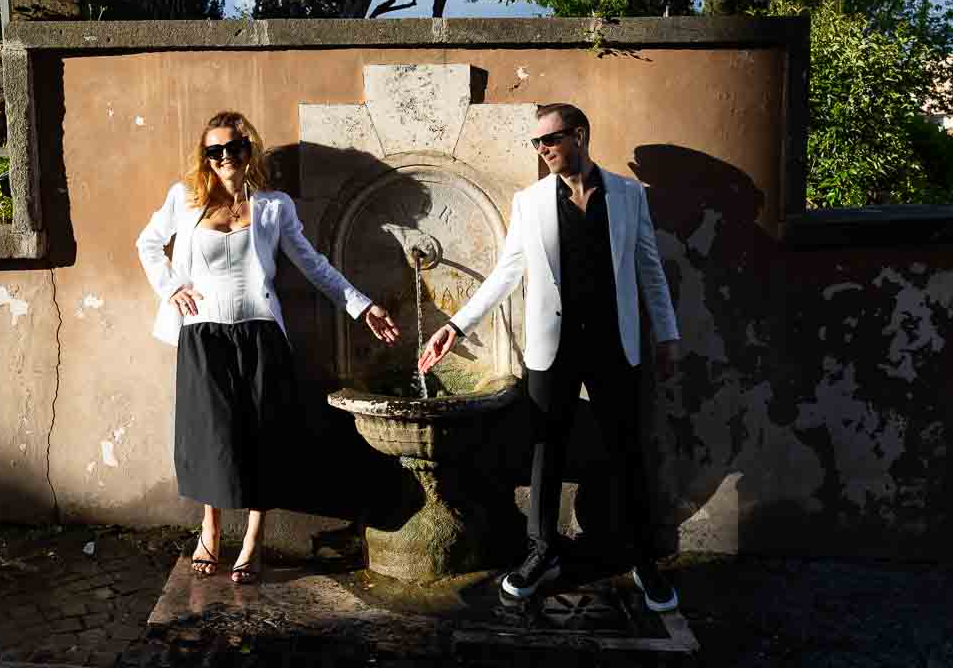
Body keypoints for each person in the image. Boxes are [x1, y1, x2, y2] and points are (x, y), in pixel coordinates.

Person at [418, 103, 680, 611]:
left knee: (626, 450)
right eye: (535, 143)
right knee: (545, 451)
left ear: (579, 134)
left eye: (550, 139)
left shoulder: (627, 196)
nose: (542, 150)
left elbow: (648, 267)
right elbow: (505, 273)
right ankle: (543, 553)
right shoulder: (531, 202)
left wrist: (666, 334)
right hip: (552, 346)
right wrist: (455, 325)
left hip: (614, 342)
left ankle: (642, 558)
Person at [137, 111, 400, 585]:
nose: (224, 158)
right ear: (205, 157)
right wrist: (171, 287)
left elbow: (314, 265)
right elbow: (148, 243)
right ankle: (210, 531)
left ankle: (254, 539)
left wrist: (362, 307)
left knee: (263, 435)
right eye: (214, 150)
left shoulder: (274, 207)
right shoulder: (185, 199)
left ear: (248, 150)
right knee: (210, 434)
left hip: (260, 332)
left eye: (233, 147)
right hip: (203, 332)